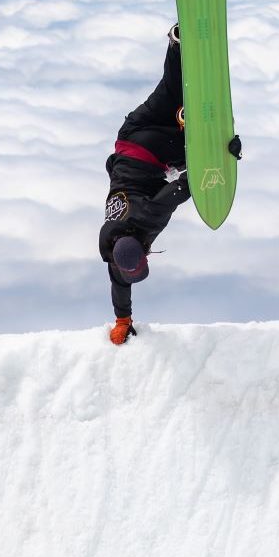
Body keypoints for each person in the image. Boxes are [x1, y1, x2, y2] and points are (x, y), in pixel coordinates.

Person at [99, 24, 240, 344]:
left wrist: (222, 156)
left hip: (154, 150)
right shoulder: (110, 242)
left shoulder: (146, 221)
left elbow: (182, 189)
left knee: (194, 152)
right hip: (129, 134)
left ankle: (187, 127)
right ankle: (177, 44)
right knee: (170, 90)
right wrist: (122, 319)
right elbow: (118, 281)